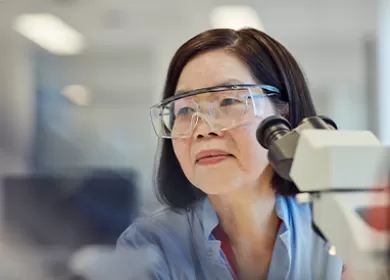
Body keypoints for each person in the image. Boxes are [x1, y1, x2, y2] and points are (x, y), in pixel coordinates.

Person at [117, 28, 353, 280]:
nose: (203, 130)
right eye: (185, 111)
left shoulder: (340, 230)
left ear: (283, 115)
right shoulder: (147, 247)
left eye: (229, 101)